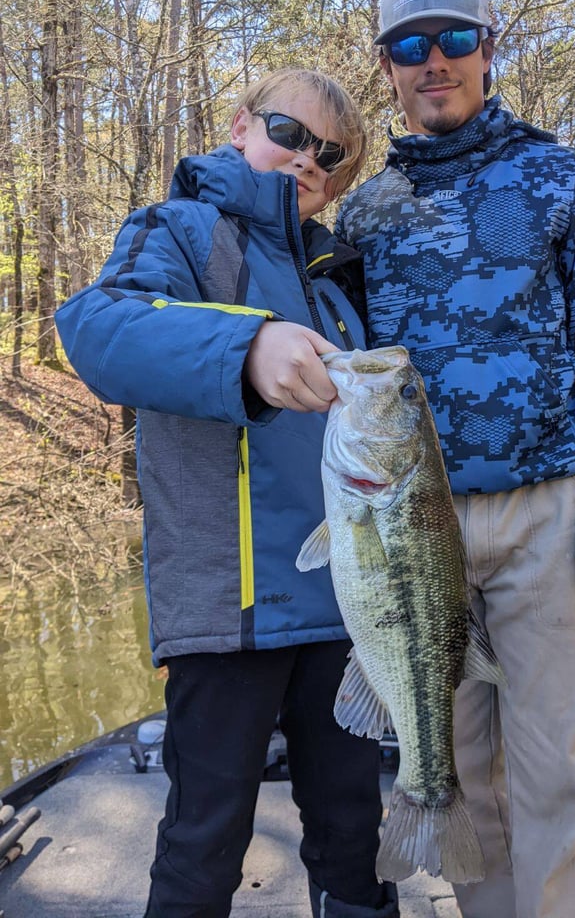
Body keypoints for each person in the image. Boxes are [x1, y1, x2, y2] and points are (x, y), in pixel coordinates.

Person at [335, 0, 575, 918]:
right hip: (405, 529)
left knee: (561, 766)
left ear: (488, 49)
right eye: (410, 45)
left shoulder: (559, 173)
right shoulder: (365, 210)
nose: (435, 61)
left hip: (548, 516)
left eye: (455, 39)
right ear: (388, 65)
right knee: (461, 769)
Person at [55, 68, 399, 918]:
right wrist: (248, 347)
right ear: (242, 125)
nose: (306, 159)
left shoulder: (340, 283)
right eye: (290, 131)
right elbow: (96, 329)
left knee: (356, 840)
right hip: (225, 609)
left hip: (343, 611)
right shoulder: (178, 229)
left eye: (330, 155)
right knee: (203, 843)